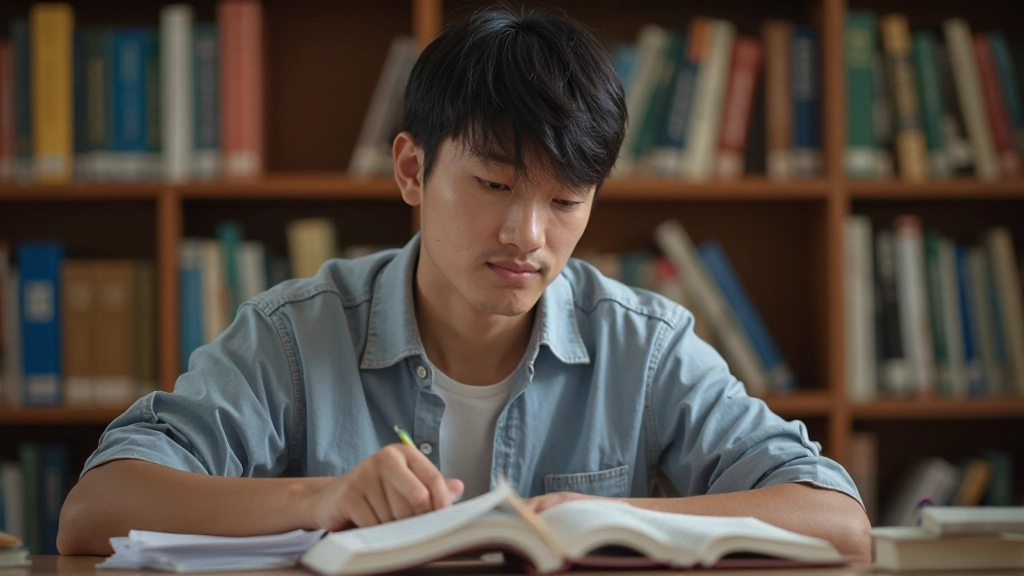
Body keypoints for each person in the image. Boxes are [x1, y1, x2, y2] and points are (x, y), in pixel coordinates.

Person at [58, 7, 871, 561]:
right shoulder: (295, 334)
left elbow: (838, 522)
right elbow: (95, 510)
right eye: (493, 185)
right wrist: (320, 500)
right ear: (412, 170)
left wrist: (616, 517)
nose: (529, 236)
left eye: (566, 201)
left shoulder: (644, 344)